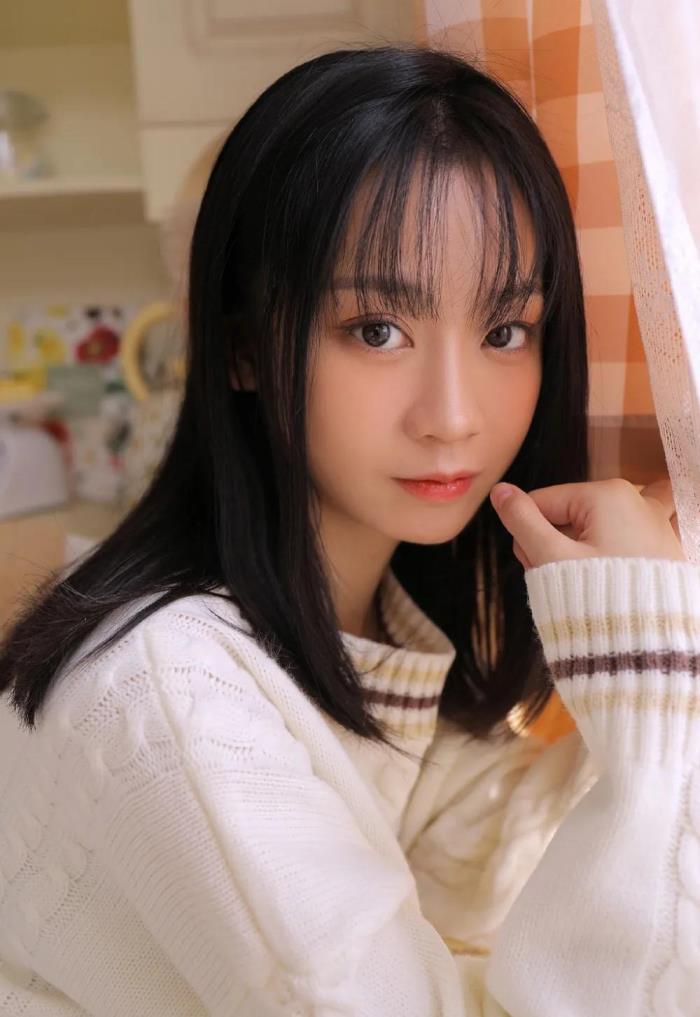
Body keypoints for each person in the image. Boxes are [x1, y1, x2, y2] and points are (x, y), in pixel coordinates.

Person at [0, 44, 697, 1016]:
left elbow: (481, 922)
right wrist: (654, 681)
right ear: (243, 348)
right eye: (376, 329)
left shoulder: (395, 632)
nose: (453, 416)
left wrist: (642, 678)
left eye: (505, 331)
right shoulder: (173, 695)